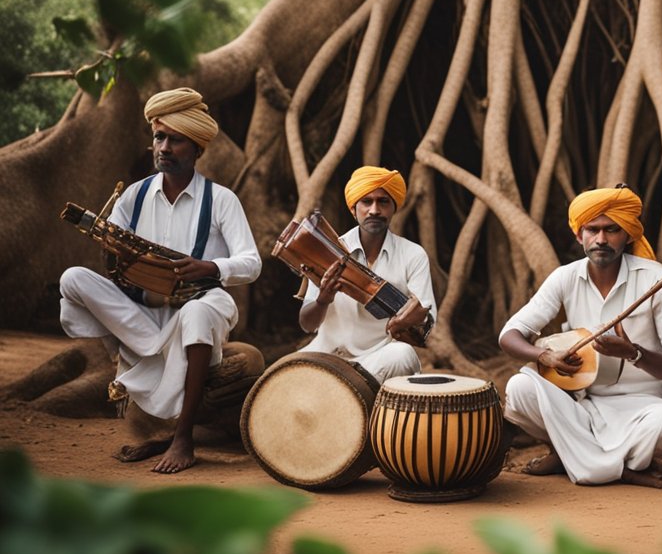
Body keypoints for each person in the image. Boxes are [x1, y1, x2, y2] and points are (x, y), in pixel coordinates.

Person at [59, 87, 262, 474]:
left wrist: (208, 268)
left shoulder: (221, 200)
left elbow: (251, 263)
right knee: (73, 280)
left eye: (175, 139)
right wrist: (113, 258)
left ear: (198, 148)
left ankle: (183, 437)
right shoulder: (132, 197)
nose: (164, 147)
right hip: (142, 315)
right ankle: (141, 351)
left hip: (201, 305)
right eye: (158, 137)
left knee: (198, 314)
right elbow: (113, 258)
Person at [498, 185, 662, 489]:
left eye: (612, 230)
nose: (601, 239)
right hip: (581, 406)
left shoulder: (656, 279)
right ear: (580, 235)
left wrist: (634, 353)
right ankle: (623, 468)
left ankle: (572, 457)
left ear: (628, 234)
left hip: (641, 408)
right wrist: (544, 356)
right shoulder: (565, 277)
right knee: (521, 386)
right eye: (592, 230)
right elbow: (509, 335)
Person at [296, 166, 436, 382]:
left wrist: (410, 319)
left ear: (394, 207)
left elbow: (426, 321)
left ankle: (348, 387)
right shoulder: (329, 250)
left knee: (403, 355)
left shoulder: (413, 254)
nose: (374, 210)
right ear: (354, 208)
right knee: (280, 380)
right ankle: (342, 385)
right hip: (326, 356)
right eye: (366, 202)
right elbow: (307, 325)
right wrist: (323, 300)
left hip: (377, 360)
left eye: (383, 201)